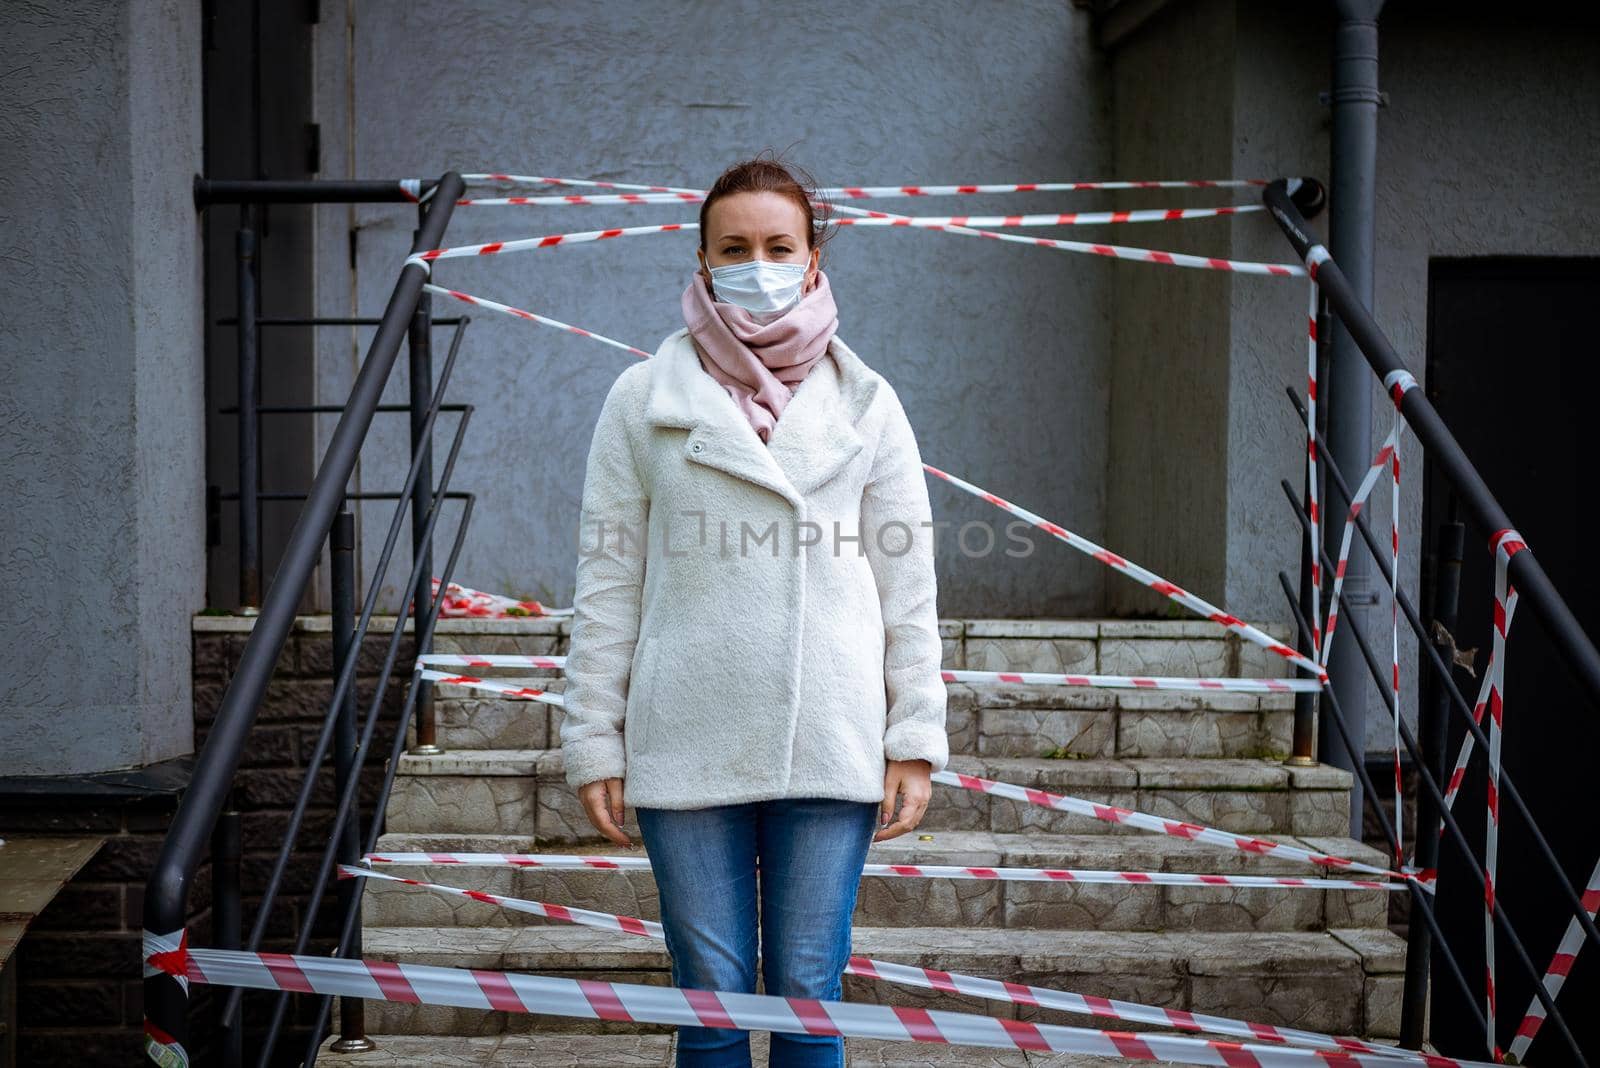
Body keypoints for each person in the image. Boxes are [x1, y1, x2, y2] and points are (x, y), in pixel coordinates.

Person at [559, 153, 949, 1068]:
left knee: (811, 993)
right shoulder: (641, 401)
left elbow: (910, 584)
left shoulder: (869, 402)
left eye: (780, 245)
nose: (759, 263)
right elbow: (608, 582)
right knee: (714, 1001)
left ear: (815, 260)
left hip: (832, 738)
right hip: (686, 737)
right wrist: (593, 738)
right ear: (702, 261)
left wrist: (914, 737)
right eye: (735, 247)